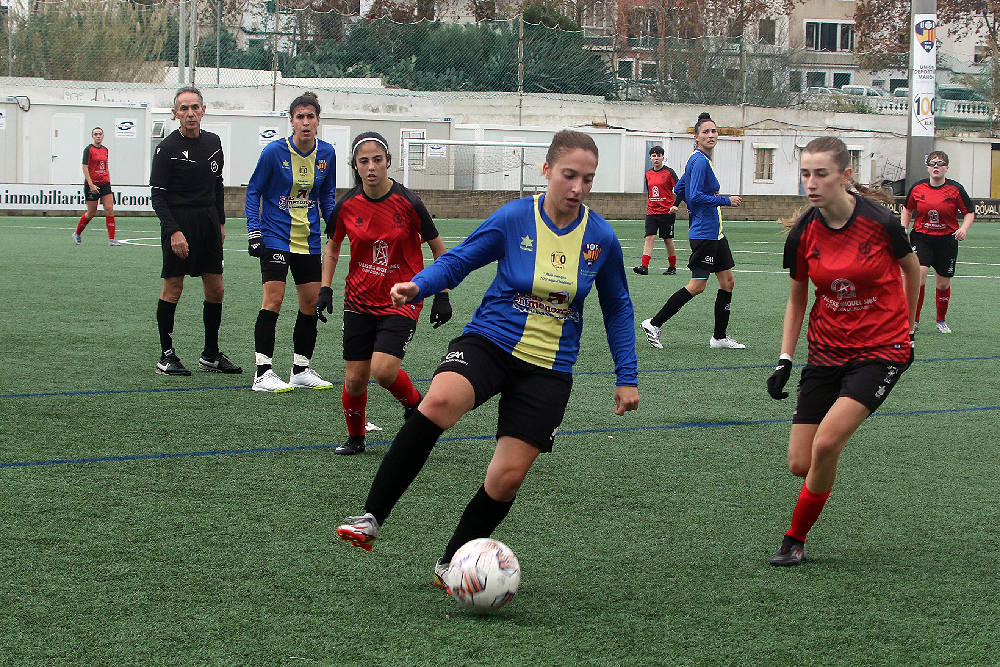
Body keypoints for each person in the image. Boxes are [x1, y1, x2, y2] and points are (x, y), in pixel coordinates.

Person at [334, 130, 640, 591]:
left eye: (588, 179)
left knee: (507, 478)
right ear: (546, 170)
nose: (578, 187)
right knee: (438, 403)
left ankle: (451, 563)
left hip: (549, 367)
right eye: (569, 175)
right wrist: (420, 285)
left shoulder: (601, 237)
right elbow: (458, 260)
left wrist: (627, 376)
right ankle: (371, 517)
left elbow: (617, 306)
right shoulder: (515, 217)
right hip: (490, 342)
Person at [765, 136, 919, 566]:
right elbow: (797, 298)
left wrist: (907, 331)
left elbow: (912, 272)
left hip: (881, 348)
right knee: (801, 463)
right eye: (805, 174)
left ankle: (794, 540)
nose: (811, 183)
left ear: (845, 175)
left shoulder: (880, 222)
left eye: (821, 174)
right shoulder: (803, 234)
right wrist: (785, 359)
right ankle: (821, 473)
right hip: (826, 350)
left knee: (827, 443)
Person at [316, 131, 451, 454]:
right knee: (355, 379)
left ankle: (415, 404)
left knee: (384, 370)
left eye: (377, 160)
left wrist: (442, 294)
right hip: (358, 300)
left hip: (401, 299)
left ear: (389, 162)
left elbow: (438, 248)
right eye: (364, 161)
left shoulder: (409, 202)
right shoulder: (346, 205)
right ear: (355, 166)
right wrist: (325, 289)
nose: (371, 167)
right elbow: (332, 248)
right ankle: (356, 438)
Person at [245, 92, 337, 392]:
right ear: (292, 121)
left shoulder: (327, 154)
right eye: (300, 117)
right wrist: (254, 231)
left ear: (318, 120)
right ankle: (263, 373)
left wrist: (334, 223)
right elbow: (254, 191)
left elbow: (326, 196)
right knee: (273, 299)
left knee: (310, 304)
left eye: (311, 116)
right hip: (275, 236)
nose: (306, 122)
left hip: (308, 240)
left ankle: (300, 369)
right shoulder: (274, 152)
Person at [150, 86, 242, 377]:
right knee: (173, 288)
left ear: (203, 110)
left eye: (194, 108)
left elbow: (217, 184)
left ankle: (210, 354)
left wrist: (220, 222)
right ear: (175, 113)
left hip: (208, 223)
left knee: (216, 288)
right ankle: (166, 355)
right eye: (184, 108)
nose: (190, 113)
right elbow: (158, 196)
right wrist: (174, 231)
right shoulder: (167, 149)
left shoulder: (213, 142)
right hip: (180, 223)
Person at [640, 112, 745, 350]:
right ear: (696, 136)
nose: (711, 135)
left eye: (714, 131)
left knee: (728, 281)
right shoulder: (699, 161)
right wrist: (726, 201)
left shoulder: (701, 160)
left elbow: (680, 188)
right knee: (698, 285)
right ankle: (654, 323)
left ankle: (719, 338)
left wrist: (691, 205)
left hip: (716, 232)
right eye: (705, 132)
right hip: (704, 233)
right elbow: (695, 196)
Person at [900, 150, 974, 334]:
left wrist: (963, 229)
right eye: (932, 163)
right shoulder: (918, 188)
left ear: (946, 168)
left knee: (942, 284)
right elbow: (907, 210)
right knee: (920, 275)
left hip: (947, 240)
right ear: (927, 167)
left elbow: (969, 212)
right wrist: (903, 229)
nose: (936, 167)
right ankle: (914, 320)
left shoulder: (956, 189)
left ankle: (941, 321)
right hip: (922, 237)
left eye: (940, 163)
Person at [633, 145, 679, 275]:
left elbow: (680, 189)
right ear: (650, 158)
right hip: (652, 212)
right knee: (649, 237)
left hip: (667, 212)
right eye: (654, 156)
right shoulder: (648, 174)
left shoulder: (669, 172)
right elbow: (650, 192)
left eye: (659, 155)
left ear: (663, 158)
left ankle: (672, 267)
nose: (656, 158)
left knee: (667, 239)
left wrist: (676, 205)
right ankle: (644, 266)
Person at [73, 127, 119, 246]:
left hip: (104, 183)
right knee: (91, 213)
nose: (98, 136)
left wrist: (108, 181)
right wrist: (91, 184)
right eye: (96, 134)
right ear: (92, 136)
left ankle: (112, 239)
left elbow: (106, 166)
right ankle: (77, 233)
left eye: (100, 134)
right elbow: (85, 167)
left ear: (103, 135)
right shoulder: (88, 150)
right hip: (92, 184)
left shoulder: (105, 150)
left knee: (109, 209)